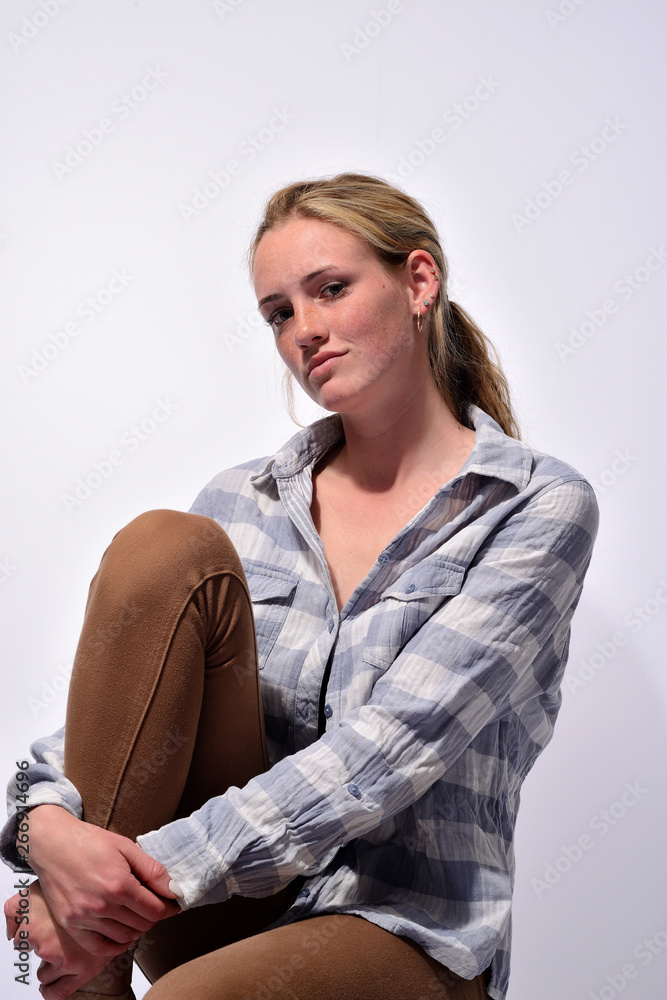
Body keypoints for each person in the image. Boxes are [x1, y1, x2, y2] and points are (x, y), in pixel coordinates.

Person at [2, 173, 598, 1000]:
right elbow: (121, 728)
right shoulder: (242, 502)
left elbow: (387, 752)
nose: (305, 331)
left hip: (398, 925)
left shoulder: (534, 507)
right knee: (162, 543)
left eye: (330, 290)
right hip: (218, 905)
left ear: (418, 282)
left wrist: (112, 891)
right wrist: (43, 831)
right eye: (279, 313)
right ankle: (89, 980)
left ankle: (86, 943)